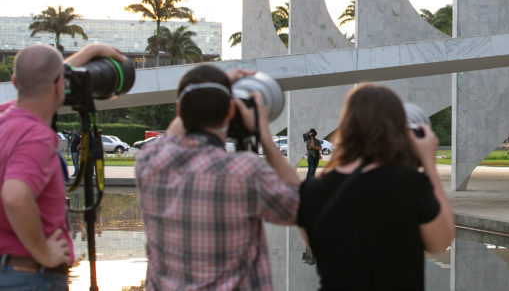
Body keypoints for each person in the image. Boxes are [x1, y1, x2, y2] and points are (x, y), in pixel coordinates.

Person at [136, 64, 301, 290]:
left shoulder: (150, 161)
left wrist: (212, 87)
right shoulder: (244, 172)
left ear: (179, 112)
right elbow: (304, 207)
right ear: (231, 111)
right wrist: (265, 139)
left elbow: (176, 129)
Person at [297, 84, 454, 290]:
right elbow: (440, 242)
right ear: (396, 129)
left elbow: (318, 247)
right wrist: (429, 165)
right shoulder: (409, 184)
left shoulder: (311, 191)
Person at [0, 43, 125, 290]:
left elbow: (45, 74)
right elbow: (15, 197)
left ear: (15, 82)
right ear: (60, 85)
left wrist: (91, 51)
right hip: (30, 275)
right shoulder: (36, 135)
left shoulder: (6, 116)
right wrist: (44, 252)